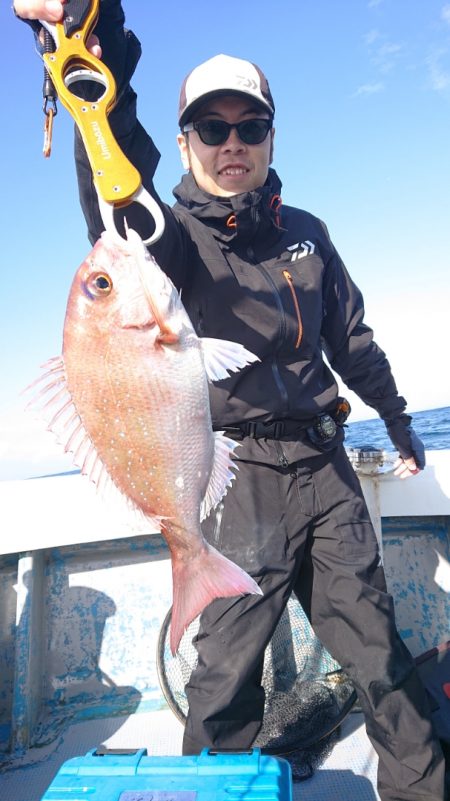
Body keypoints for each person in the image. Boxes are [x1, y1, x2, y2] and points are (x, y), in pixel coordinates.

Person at [15, 2, 446, 799]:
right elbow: (115, 172)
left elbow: (351, 339)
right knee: (224, 682)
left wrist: (395, 418)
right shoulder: (168, 239)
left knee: (381, 656)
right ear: (185, 143)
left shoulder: (309, 235)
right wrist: (88, 38)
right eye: (211, 128)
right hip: (237, 479)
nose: (232, 142)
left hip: (327, 468)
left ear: (273, 138)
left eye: (251, 126)